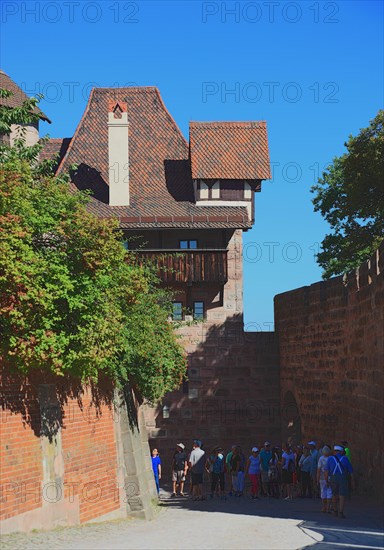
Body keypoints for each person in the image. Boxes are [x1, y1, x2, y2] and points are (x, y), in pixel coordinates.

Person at [324, 445, 354, 518]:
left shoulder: (330, 458)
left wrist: (326, 481)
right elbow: (351, 471)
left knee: (334, 494)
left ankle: (335, 511)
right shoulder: (345, 458)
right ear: (341, 451)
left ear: (334, 451)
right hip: (343, 478)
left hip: (333, 477)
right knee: (342, 495)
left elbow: (326, 471)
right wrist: (353, 481)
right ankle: (341, 512)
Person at [317, 445, 332, 513]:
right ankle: (328, 507)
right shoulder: (331, 458)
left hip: (322, 477)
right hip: (329, 477)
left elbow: (318, 470)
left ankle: (324, 507)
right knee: (329, 492)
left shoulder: (321, 459)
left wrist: (317, 478)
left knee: (323, 492)